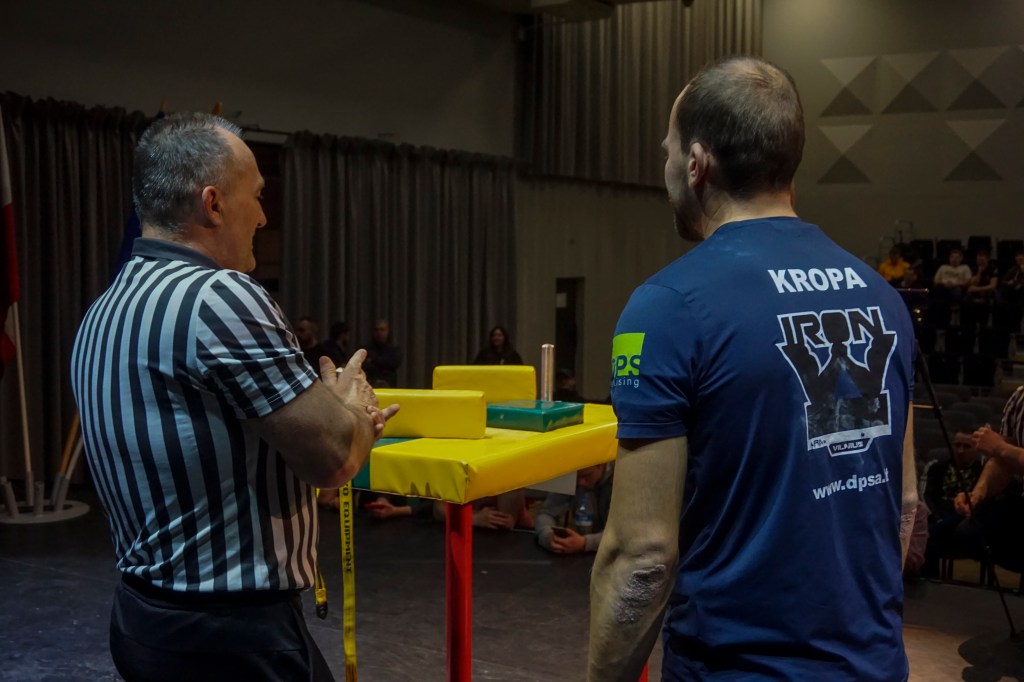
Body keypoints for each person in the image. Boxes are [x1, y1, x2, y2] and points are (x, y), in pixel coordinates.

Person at [587, 57, 918, 682]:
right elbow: (903, 505)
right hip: (873, 666)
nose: (666, 166)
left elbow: (642, 556)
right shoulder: (884, 299)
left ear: (696, 163)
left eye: (667, 150)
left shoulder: (666, 308)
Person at [69, 113, 398, 682]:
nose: (264, 217)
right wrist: (353, 405)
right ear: (214, 203)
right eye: (258, 196)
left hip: (142, 620)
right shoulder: (218, 295)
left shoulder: (105, 308)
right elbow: (335, 457)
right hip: (231, 636)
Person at [956, 385, 1024, 572]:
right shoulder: (1020, 397)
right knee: (969, 533)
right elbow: (1003, 461)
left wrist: (1001, 448)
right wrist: (978, 493)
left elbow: (1002, 450)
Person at [921, 432, 984, 578]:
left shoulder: (982, 472)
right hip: (939, 516)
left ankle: (929, 580)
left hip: (967, 520)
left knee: (927, 536)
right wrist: (937, 517)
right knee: (932, 541)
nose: (960, 450)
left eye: (966, 446)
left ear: (976, 449)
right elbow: (926, 496)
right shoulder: (936, 467)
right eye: (957, 445)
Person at [535, 463, 613, 554]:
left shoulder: (621, 480)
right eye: (576, 477)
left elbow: (620, 535)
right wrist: (547, 534)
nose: (580, 482)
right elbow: (546, 513)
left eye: (586, 476)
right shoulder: (570, 476)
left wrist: (585, 543)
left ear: (602, 465)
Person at [363, 318, 401, 387]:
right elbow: (365, 366)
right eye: (376, 330)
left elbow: (394, 363)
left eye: (382, 330)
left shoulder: (394, 349)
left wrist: (374, 360)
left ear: (387, 331)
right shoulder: (366, 349)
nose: (379, 333)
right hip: (370, 384)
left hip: (389, 385)